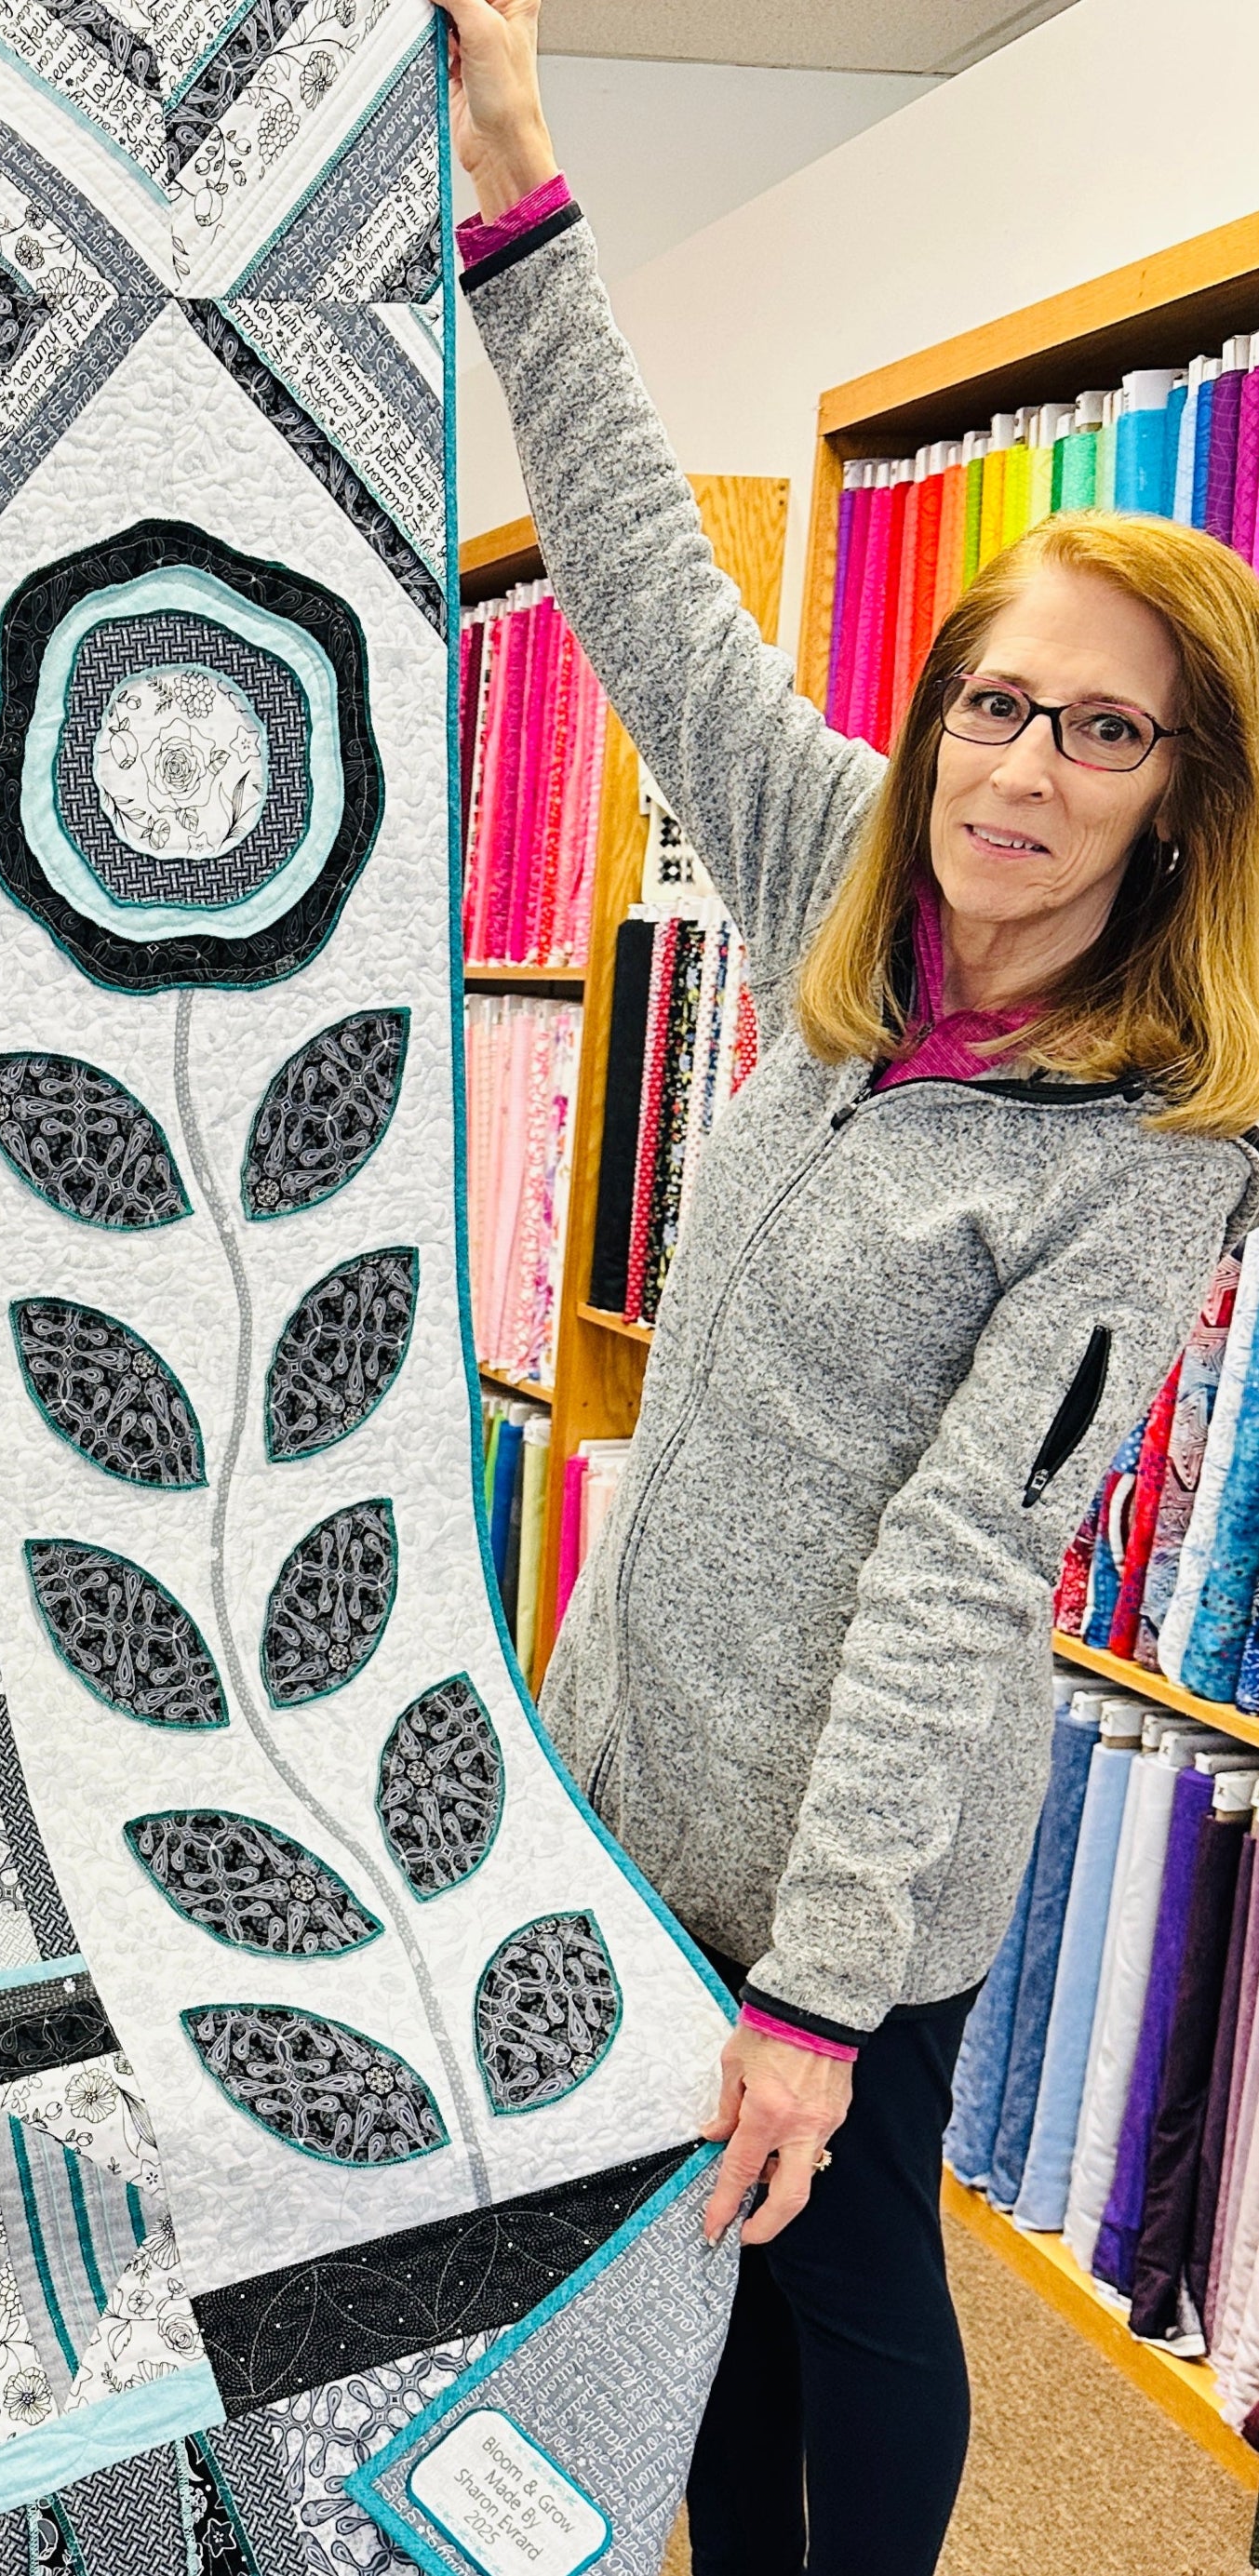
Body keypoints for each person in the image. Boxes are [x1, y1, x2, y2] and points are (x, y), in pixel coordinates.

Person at [433, 4, 1259, 2569]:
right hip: (636, 1760)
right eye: (993, 703)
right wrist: (514, 170)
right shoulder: (833, 881)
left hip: (855, 1856)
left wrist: (809, 1985)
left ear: (1182, 795)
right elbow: (635, 576)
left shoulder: (1146, 1143)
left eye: (1098, 736)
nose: (1017, 771)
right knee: (686, 2289)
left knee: (847, 2291)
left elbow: (951, 1569)